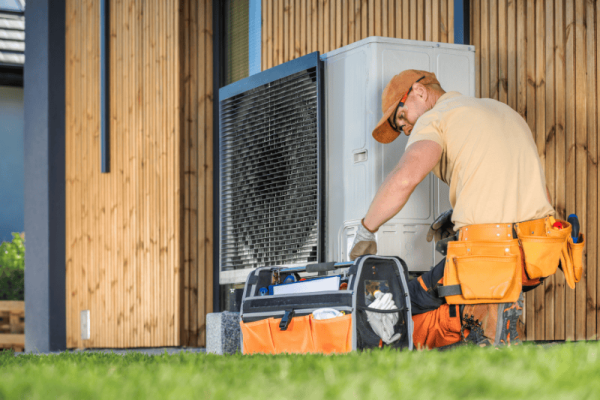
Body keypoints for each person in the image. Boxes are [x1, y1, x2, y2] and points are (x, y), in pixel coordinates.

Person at [349, 69, 558, 348]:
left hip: (488, 255)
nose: (406, 130)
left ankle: (480, 328)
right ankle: (489, 321)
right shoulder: (502, 110)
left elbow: (405, 178)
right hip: (537, 255)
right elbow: (538, 192)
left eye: (402, 118)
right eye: (401, 129)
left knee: (404, 297)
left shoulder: (435, 117)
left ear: (419, 92)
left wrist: (366, 231)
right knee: (458, 291)